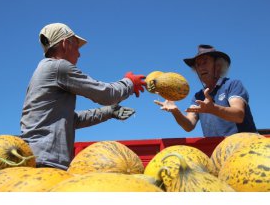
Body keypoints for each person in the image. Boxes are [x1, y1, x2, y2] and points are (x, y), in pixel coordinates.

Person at [20, 23, 146, 170]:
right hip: (46, 162)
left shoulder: (44, 70)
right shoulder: (58, 67)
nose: (79, 54)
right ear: (65, 43)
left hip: (37, 157)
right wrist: (129, 83)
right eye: (77, 47)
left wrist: (109, 111)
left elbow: (70, 120)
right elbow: (106, 94)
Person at [151, 44, 257, 137]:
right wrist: (175, 111)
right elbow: (189, 125)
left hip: (244, 146)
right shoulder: (198, 96)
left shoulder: (232, 85)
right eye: (198, 65)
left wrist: (213, 109)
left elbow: (238, 115)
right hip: (216, 151)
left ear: (218, 66)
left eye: (205, 62)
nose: (201, 68)